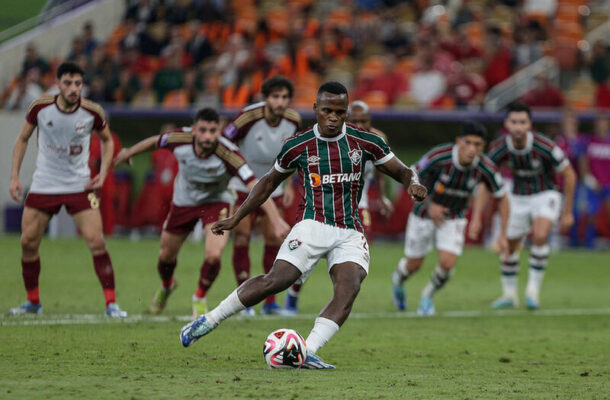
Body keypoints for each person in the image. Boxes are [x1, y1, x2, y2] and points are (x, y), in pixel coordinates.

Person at [179, 82, 427, 369]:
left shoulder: (365, 142)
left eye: (339, 112)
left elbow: (403, 171)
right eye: (327, 111)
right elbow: (268, 182)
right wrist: (238, 217)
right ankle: (208, 320)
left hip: (350, 230)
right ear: (315, 110)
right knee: (277, 280)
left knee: (350, 286)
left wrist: (415, 184)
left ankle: (306, 351)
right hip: (312, 224)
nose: (333, 117)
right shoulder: (298, 145)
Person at [113, 108, 289, 317]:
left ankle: (199, 296)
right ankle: (167, 285)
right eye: (203, 130)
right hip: (184, 202)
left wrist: (276, 220)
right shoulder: (179, 139)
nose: (207, 136)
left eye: (213, 131)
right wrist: (129, 152)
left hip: (217, 202)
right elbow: (155, 141)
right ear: (194, 129)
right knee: (166, 255)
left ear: (219, 130)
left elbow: (255, 184)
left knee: (214, 255)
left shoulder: (229, 153)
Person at [8, 62, 127, 317]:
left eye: (78, 84)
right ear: (58, 83)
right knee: (28, 242)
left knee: (97, 241)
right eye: (68, 83)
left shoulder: (92, 112)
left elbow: (108, 141)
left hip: (79, 185)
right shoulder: (40, 108)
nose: (73, 89)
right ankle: (33, 302)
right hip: (44, 183)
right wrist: (15, 177)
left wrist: (103, 173)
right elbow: (23, 139)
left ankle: (112, 304)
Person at [284, 99, 394, 314]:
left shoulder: (377, 139)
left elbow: (383, 169)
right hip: (326, 202)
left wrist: (382, 196)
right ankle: (294, 291)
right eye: (356, 121)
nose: (361, 125)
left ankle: (342, 297)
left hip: (357, 202)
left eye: (365, 120)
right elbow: (296, 161)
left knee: (361, 247)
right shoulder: (333, 138)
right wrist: (289, 186)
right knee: (311, 252)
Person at [391, 121, 509, 315]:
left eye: (477, 145)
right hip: (423, 214)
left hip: (454, 216)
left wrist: (502, 233)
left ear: (483, 146)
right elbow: (411, 175)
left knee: (447, 264)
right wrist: (430, 204)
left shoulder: (485, 167)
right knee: (413, 265)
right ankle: (398, 280)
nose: (472, 149)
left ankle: (427, 296)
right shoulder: (439, 156)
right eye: (468, 143)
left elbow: (502, 197)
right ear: (458, 142)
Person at [223, 76, 301, 316]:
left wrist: (288, 185)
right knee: (242, 238)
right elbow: (224, 142)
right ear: (265, 98)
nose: (280, 102)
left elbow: (293, 154)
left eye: (285, 97)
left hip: (272, 186)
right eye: (275, 96)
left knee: (273, 240)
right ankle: (244, 300)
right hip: (242, 186)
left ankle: (269, 303)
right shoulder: (247, 116)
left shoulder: (294, 120)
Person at [487, 102, 576, 309]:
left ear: (530, 125)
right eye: (514, 122)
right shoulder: (498, 148)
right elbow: (486, 176)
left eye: (522, 122)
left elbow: (569, 174)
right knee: (509, 246)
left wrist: (568, 212)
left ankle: (532, 292)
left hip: (546, 194)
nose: (518, 127)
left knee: (539, 235)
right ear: (506, 124)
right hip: (517, 197)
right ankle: (509, 295)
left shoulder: (545, 146)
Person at [580, 114, 610, 248]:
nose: (602, 126)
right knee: (591, 214)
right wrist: (590, 180)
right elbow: (583, 162)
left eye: (604, 124)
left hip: (609, 184)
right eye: (599, 124)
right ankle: (588, 243)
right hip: (593, 184)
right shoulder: (589, 141)